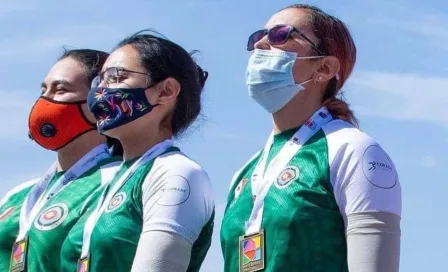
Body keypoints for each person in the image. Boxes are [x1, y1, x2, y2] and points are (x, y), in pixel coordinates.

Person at [220, 4, 401, 272]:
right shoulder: (245, 173)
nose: (260, 43)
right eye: (258, 36)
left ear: (324, 68)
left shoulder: (353, 150)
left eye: (280, 35)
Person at [60, 31, 215, 272]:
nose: (100, 91)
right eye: (99, 80)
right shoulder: (111, 181)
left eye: (116, 77)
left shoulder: (177, 173)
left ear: (165, 91)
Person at [0, 49, 122, 272]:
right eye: (44, 90)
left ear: (100, 102)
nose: (45, 101)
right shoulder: (18, 195)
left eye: (61, 90)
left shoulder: (118, 182)